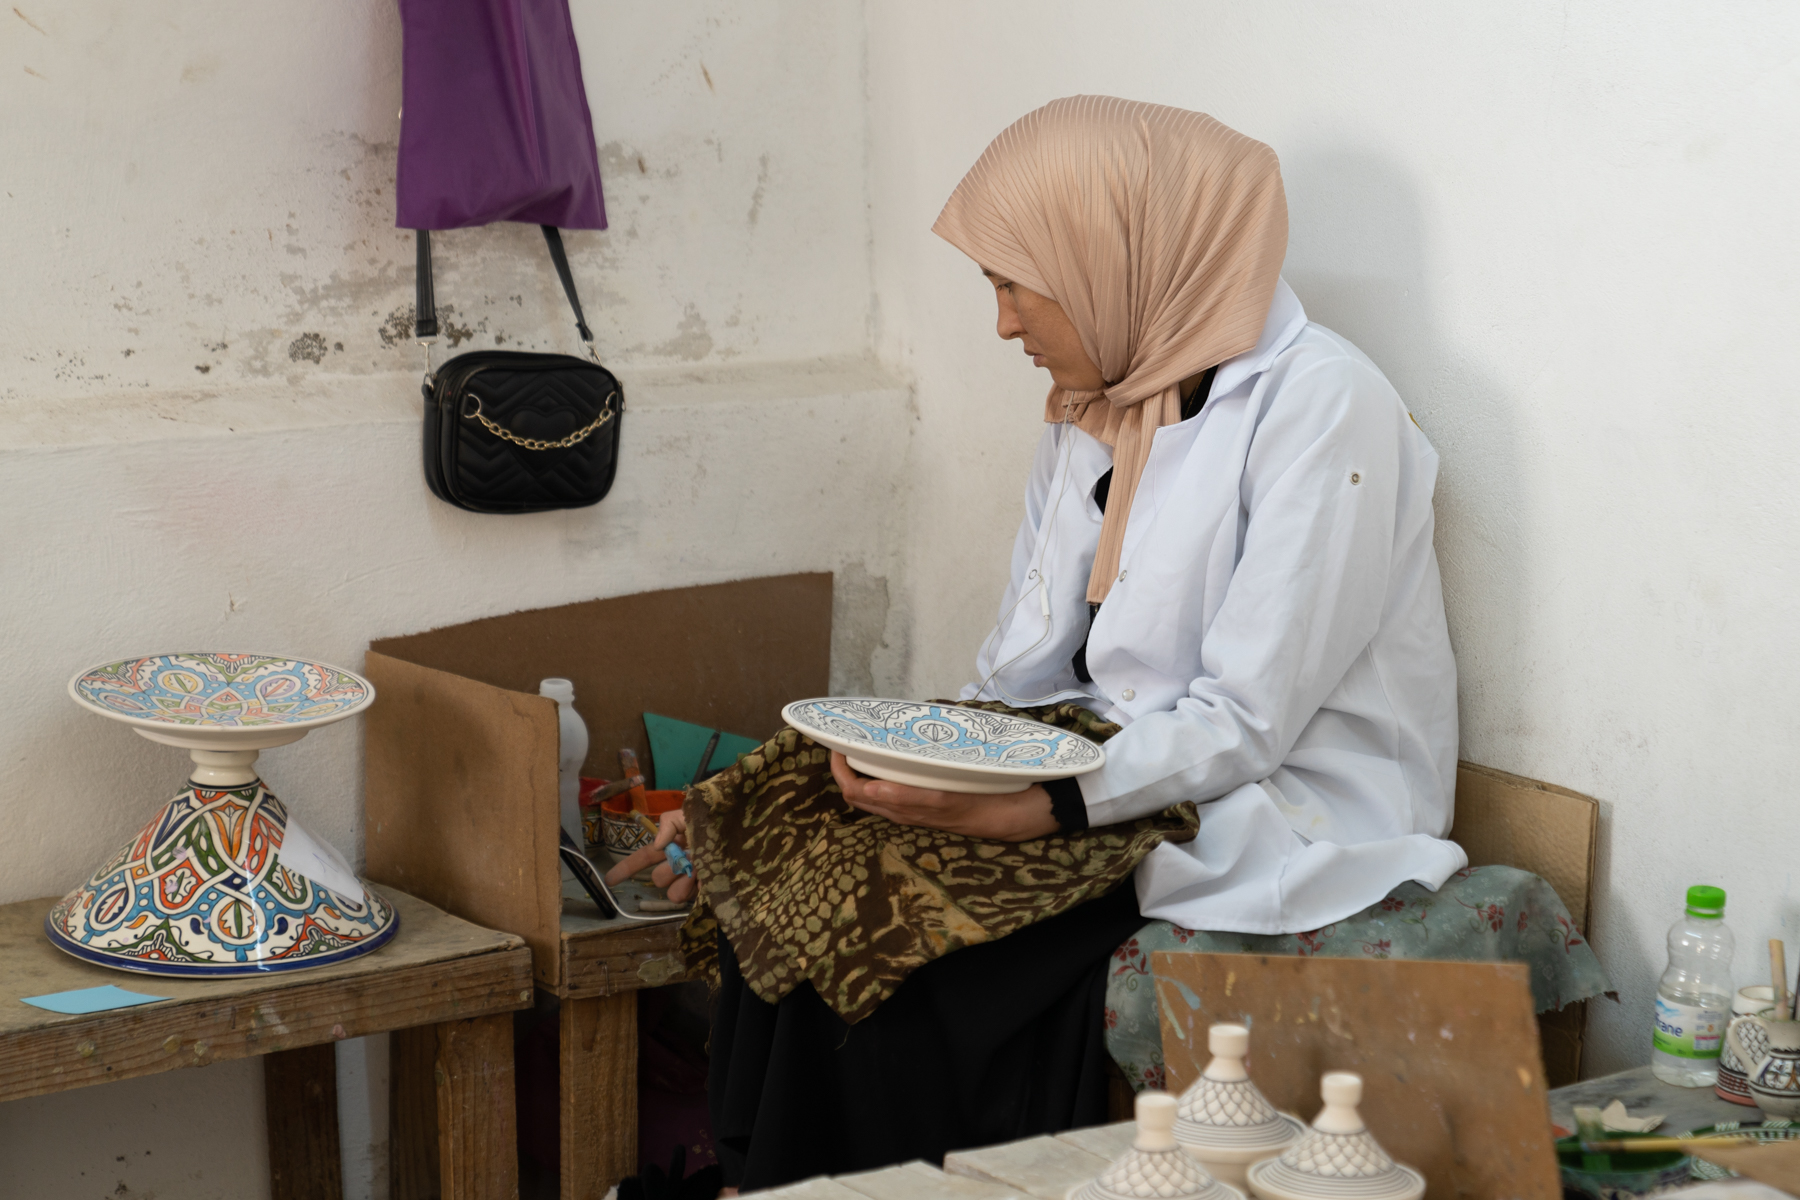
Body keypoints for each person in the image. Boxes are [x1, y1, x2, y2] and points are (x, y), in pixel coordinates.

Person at [680, 95, 1464, 1193]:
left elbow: (1245, 718)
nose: (1002, 322)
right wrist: (925, 758)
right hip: (1103, 751)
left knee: (911, 958)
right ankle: (773, 1182)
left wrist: (1040, 806)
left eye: (1013, 282)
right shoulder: (1100, 397)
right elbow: (1026, 666)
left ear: (1115, 257)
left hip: (1276, 792)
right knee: (785, 821)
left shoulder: (1326, 406)